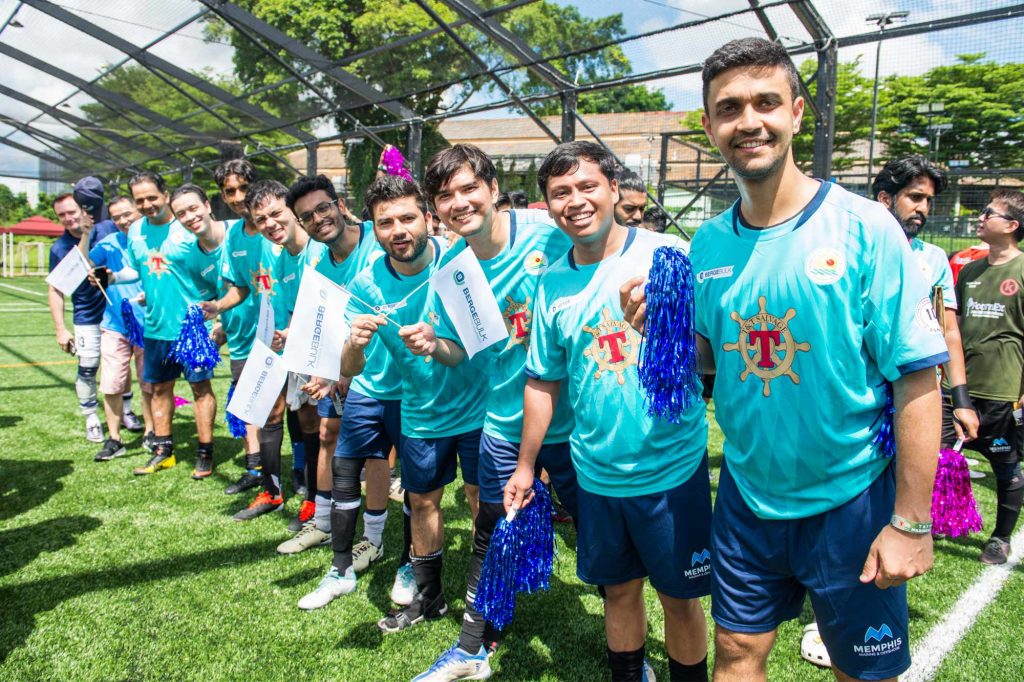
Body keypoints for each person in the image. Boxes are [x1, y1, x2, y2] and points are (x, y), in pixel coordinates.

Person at [622, 38, 949, 682]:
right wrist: (663, 331)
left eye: (766, 102)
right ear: (711, 126)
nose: (749, 121)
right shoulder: (708, 242)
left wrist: (911, 521)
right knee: (738, 655)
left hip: (850, 496)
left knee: (864, 672)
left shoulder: (865, 227)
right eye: (729, 108)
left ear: (797, 113)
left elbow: (916, 376)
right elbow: (712, 361)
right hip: (746, 498)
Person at [500, 140, 711, 682]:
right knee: (617, 591)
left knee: (679, 598)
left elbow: (712, 354)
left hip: (671, 469)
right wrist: (526, 466)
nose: (576, 201)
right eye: (560, 193)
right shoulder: (550, 286)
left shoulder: (670, 255)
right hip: (595, 472)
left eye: (587, 186)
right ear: (547, 206)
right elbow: (543, 382)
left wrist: (671, 330)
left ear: (615, 189)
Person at [412, 144, 580, 681]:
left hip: (583, 420)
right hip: (506, 420)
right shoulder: (453, 271)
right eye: (445, 196)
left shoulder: (549, 234)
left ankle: (628, 648)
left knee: (597, 534)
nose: (460, 203)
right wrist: (433, 343)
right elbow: (464, 352)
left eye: (468, 188)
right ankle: (471, 646)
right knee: (491, 524)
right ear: (436, 209)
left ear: (490, 187)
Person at [340, 175, 484, 634]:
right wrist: (355, 343)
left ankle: (488, 597)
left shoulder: (462, 260)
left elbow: (478, 343)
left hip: (481, 407)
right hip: (421, 410)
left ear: (427, 218)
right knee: (422, 502)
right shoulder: (366, 283)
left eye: (407, 218)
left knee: (482, 499)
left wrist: (436, 344)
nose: (398, 230)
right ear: (374, 229)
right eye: (386, 223)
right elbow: (350, 367)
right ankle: (430, 597)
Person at [112, 172, 218, 478]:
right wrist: (113, 277)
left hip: (191, 327)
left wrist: (216, 312)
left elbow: (212, 273)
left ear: (165, 194)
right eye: (139, 199)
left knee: (200, 388)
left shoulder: (189, 229)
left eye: (152, 197)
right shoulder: (135, 231)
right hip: (155, 327)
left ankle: (205, 452)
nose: (146, 204)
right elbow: (137, 269)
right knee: (158, 389)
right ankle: (163, 451)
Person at [943, 190, 1024, 565]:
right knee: (932, 456)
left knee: (1004, 465)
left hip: (1002, 391)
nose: (980, 217)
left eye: (988, 213)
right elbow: (953, 327)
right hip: (957, 388)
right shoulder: (971, 270)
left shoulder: (1022, 270)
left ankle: (1000, 538)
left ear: (1011, 226)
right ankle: (937, 519)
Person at [233, 180, 321, 522]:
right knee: (267, 412)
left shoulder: (319, 251)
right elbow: (286, 311)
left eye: (275, 214)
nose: (269, 224)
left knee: (317, 427)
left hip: (328, 357)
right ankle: (272, 492)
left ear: (293, 211)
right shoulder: (282, 261)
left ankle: (316, 498)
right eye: (261, 219)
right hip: (292, 350)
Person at [79, 195, 153, 461]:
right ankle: (114, 439)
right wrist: (86, 235)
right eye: (117, 216)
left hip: (149, 323)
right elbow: (85, 264)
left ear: (139, 212)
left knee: (149, 383)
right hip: (114, 325)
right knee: (112, 384)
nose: (123, 220)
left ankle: (151, 433)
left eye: (127, 214)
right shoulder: (108, 243)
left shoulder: (151, 238)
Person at [47, 188, 117, 443]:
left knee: (119, 366)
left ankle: (128, 412)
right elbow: (55, 289)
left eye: (71, 211)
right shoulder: (60, 248)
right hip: (87, 317)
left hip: (118, 313)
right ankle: (91, 418)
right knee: (88, 369)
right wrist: (60, 328)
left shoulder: (109, 228)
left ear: (84, 210)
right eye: (61, 215)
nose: (68, 218)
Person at [212, 159, 264, 496]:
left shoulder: (278, 224)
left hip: (286, 334)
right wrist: (216, 311)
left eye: (244, 188)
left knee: (302, 414)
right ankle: (255, 468)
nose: (238, 196)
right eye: (230, 191)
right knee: (248, 404)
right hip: (245, 336)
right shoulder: (232, 234)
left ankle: (306, 478)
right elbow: (239, 287)